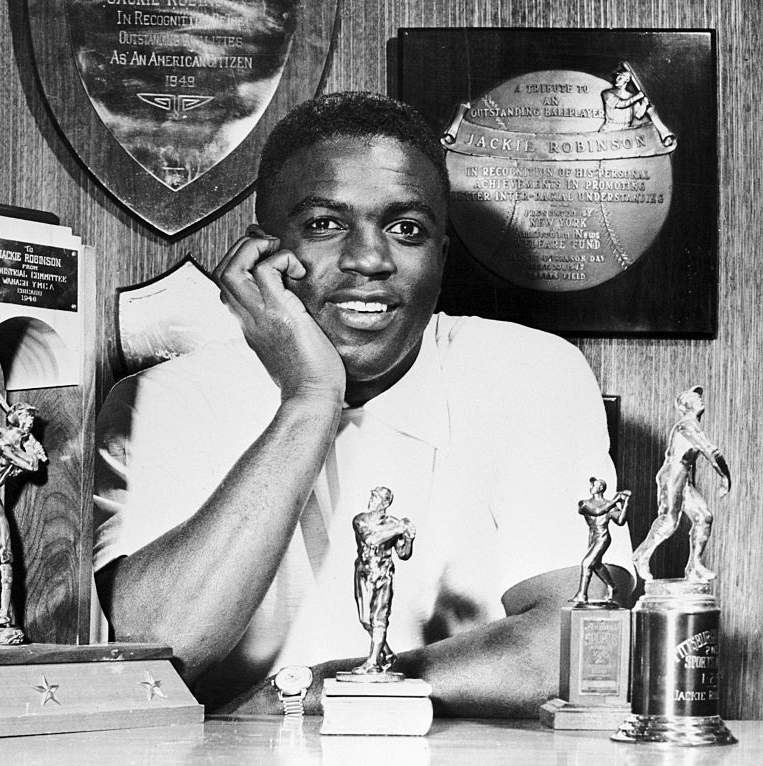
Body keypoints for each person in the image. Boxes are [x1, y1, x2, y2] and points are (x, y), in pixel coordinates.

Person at [93, 91, 631, 716]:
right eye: (325, 223)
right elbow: (161, 653)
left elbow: (581, 644)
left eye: (407, 229)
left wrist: (323, 691)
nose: (371, 259)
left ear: (440, 256)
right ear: (263, 255)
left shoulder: (527, 371)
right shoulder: (162, 402)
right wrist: (311, 400)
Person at [632, 386, 731, 583]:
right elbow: (712, 452)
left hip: (684, 479)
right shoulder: (687, 425)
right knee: (669, 522)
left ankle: (694, 566)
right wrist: (725, 477)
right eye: (695, 398)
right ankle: (641, 555)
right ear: (686, 405)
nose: (700, 400)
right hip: (672, 477)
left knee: (704, 517)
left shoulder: (692, 424)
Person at [0, 402, 47, 626]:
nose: (30, 421)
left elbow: (11, 470)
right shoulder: (1, 440)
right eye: (26, 416)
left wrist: (30, 449)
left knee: (4, 555)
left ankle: (4, 615)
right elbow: (30, 466)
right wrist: (33, 450)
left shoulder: (15, 442)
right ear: (15, 418)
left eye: (32, 417)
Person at [349, 487, 415, 675]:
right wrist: (400, 528)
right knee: (364, 619)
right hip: (364, 573)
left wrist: (409, 539)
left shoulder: (394, 523)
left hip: (383, 574)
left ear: (385, 503)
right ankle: (387, 654)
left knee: (378, 619)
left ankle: (372, 662)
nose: (371, 499)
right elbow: (371, 540)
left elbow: (403, 554)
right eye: (371, 495)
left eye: (375, 497)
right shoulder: (361, 520)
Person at [570, 478, 631, 604]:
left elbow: (620, 521)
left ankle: (582, 595)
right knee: (596, 565)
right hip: (592, 537)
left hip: (603, 537)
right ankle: (612, 587)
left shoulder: (610, 504)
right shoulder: (584, 503)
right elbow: (597, 511)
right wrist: (616, 499)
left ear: (601, 488)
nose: (591, 486)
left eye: (594, 484)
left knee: (586, 563)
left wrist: (625, 504)